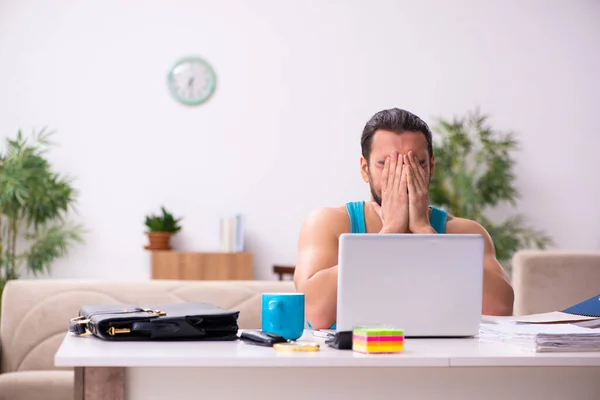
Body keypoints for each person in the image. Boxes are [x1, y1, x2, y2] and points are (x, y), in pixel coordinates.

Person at [293, 108, 515, 330]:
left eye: (416, 163)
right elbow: (315, 314)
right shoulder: (328, 223)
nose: (403, 173)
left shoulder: (465, 233)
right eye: (385, 164)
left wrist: (425, 232)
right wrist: (388, 233)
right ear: (364, 169)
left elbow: (499, 309)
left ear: (431, 167)